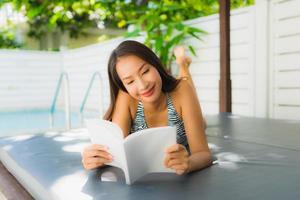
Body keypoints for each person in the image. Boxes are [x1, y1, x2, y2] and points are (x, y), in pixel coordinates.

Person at [82, 40, 212, 175]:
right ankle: (182, 63)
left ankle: (183, 65)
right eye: (130, 81)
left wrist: (189, 163)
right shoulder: (126, 96)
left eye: (145, 71)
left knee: (190, 93)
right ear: (123, 86)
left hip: (183, 104)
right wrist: (95, 158)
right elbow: (114, 153)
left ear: (155, 64)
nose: (142, 85)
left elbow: (203, 153)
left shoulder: (182, 90)